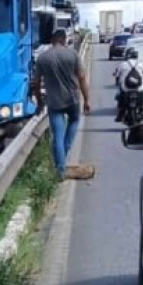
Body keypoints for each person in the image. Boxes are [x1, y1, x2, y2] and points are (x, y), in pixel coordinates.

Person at [35, 29, 91, 178]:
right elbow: (82, 78)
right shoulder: (73, 55)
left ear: (53, 40)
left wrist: (39, 103)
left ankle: (60, 170)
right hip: (72, 100)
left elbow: (35, 83)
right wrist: (87, 100)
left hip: (54, 103)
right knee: (74, 121)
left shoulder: (42, 58)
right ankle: (62, 159)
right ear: (64, 40)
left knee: (57, 136)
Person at [115, 47, 143, 122]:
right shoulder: (141, 64)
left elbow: (117, 75)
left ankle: (120, 114)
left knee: (120, 97)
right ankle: (142, 111)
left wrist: (118, 82)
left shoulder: (123, 64)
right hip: (138, 88)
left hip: (125, 89)